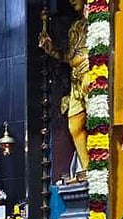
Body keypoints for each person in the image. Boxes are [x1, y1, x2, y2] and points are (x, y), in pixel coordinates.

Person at [39, 0, 89, 178]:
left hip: (91, 73)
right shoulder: (76, 25)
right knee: (74, 125)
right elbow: (70, 56)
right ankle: (87, 168)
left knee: (96, 120)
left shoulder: (97, 20)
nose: (71, 0)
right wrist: (51, 50)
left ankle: (98, 165)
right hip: (76, 77)